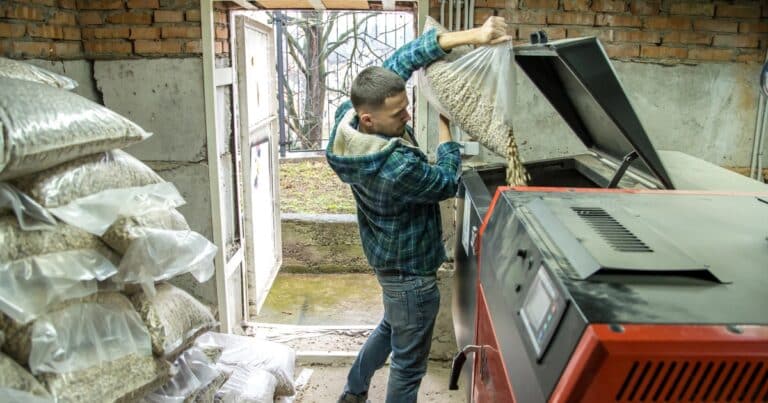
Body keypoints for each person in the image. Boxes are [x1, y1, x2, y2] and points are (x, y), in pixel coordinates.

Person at [325, 16, 511, 403]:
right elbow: (444, 181)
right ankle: (355, 391)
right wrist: (447, 129)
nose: (407, 116)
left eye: (405, 107)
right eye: (399, 115)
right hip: (411, 277)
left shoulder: (348, 122)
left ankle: (352, 393)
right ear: (369, 119)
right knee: (408, 367)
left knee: (390, 332)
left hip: (388, 264)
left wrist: (476, 35)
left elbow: (408, 56)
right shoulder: (395, 168)